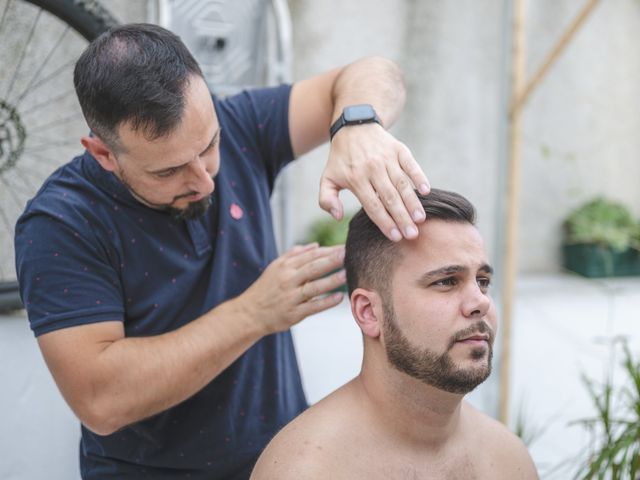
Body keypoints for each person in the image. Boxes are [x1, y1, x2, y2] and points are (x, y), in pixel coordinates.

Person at [14, 23, 431, 479]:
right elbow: (101, 399)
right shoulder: (61, 223)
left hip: (285, 466)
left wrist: (358, 124)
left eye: (209, 145)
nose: (204, 178)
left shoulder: (240, 126)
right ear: (103, 154)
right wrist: (254, 313)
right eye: (169, 171)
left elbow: (375, 70)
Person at [251, 189, 539, 480]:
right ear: (369, 312)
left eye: (483, 281)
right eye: (446, 281)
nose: (481, 302)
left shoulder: (507, 460)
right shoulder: (305, 469)